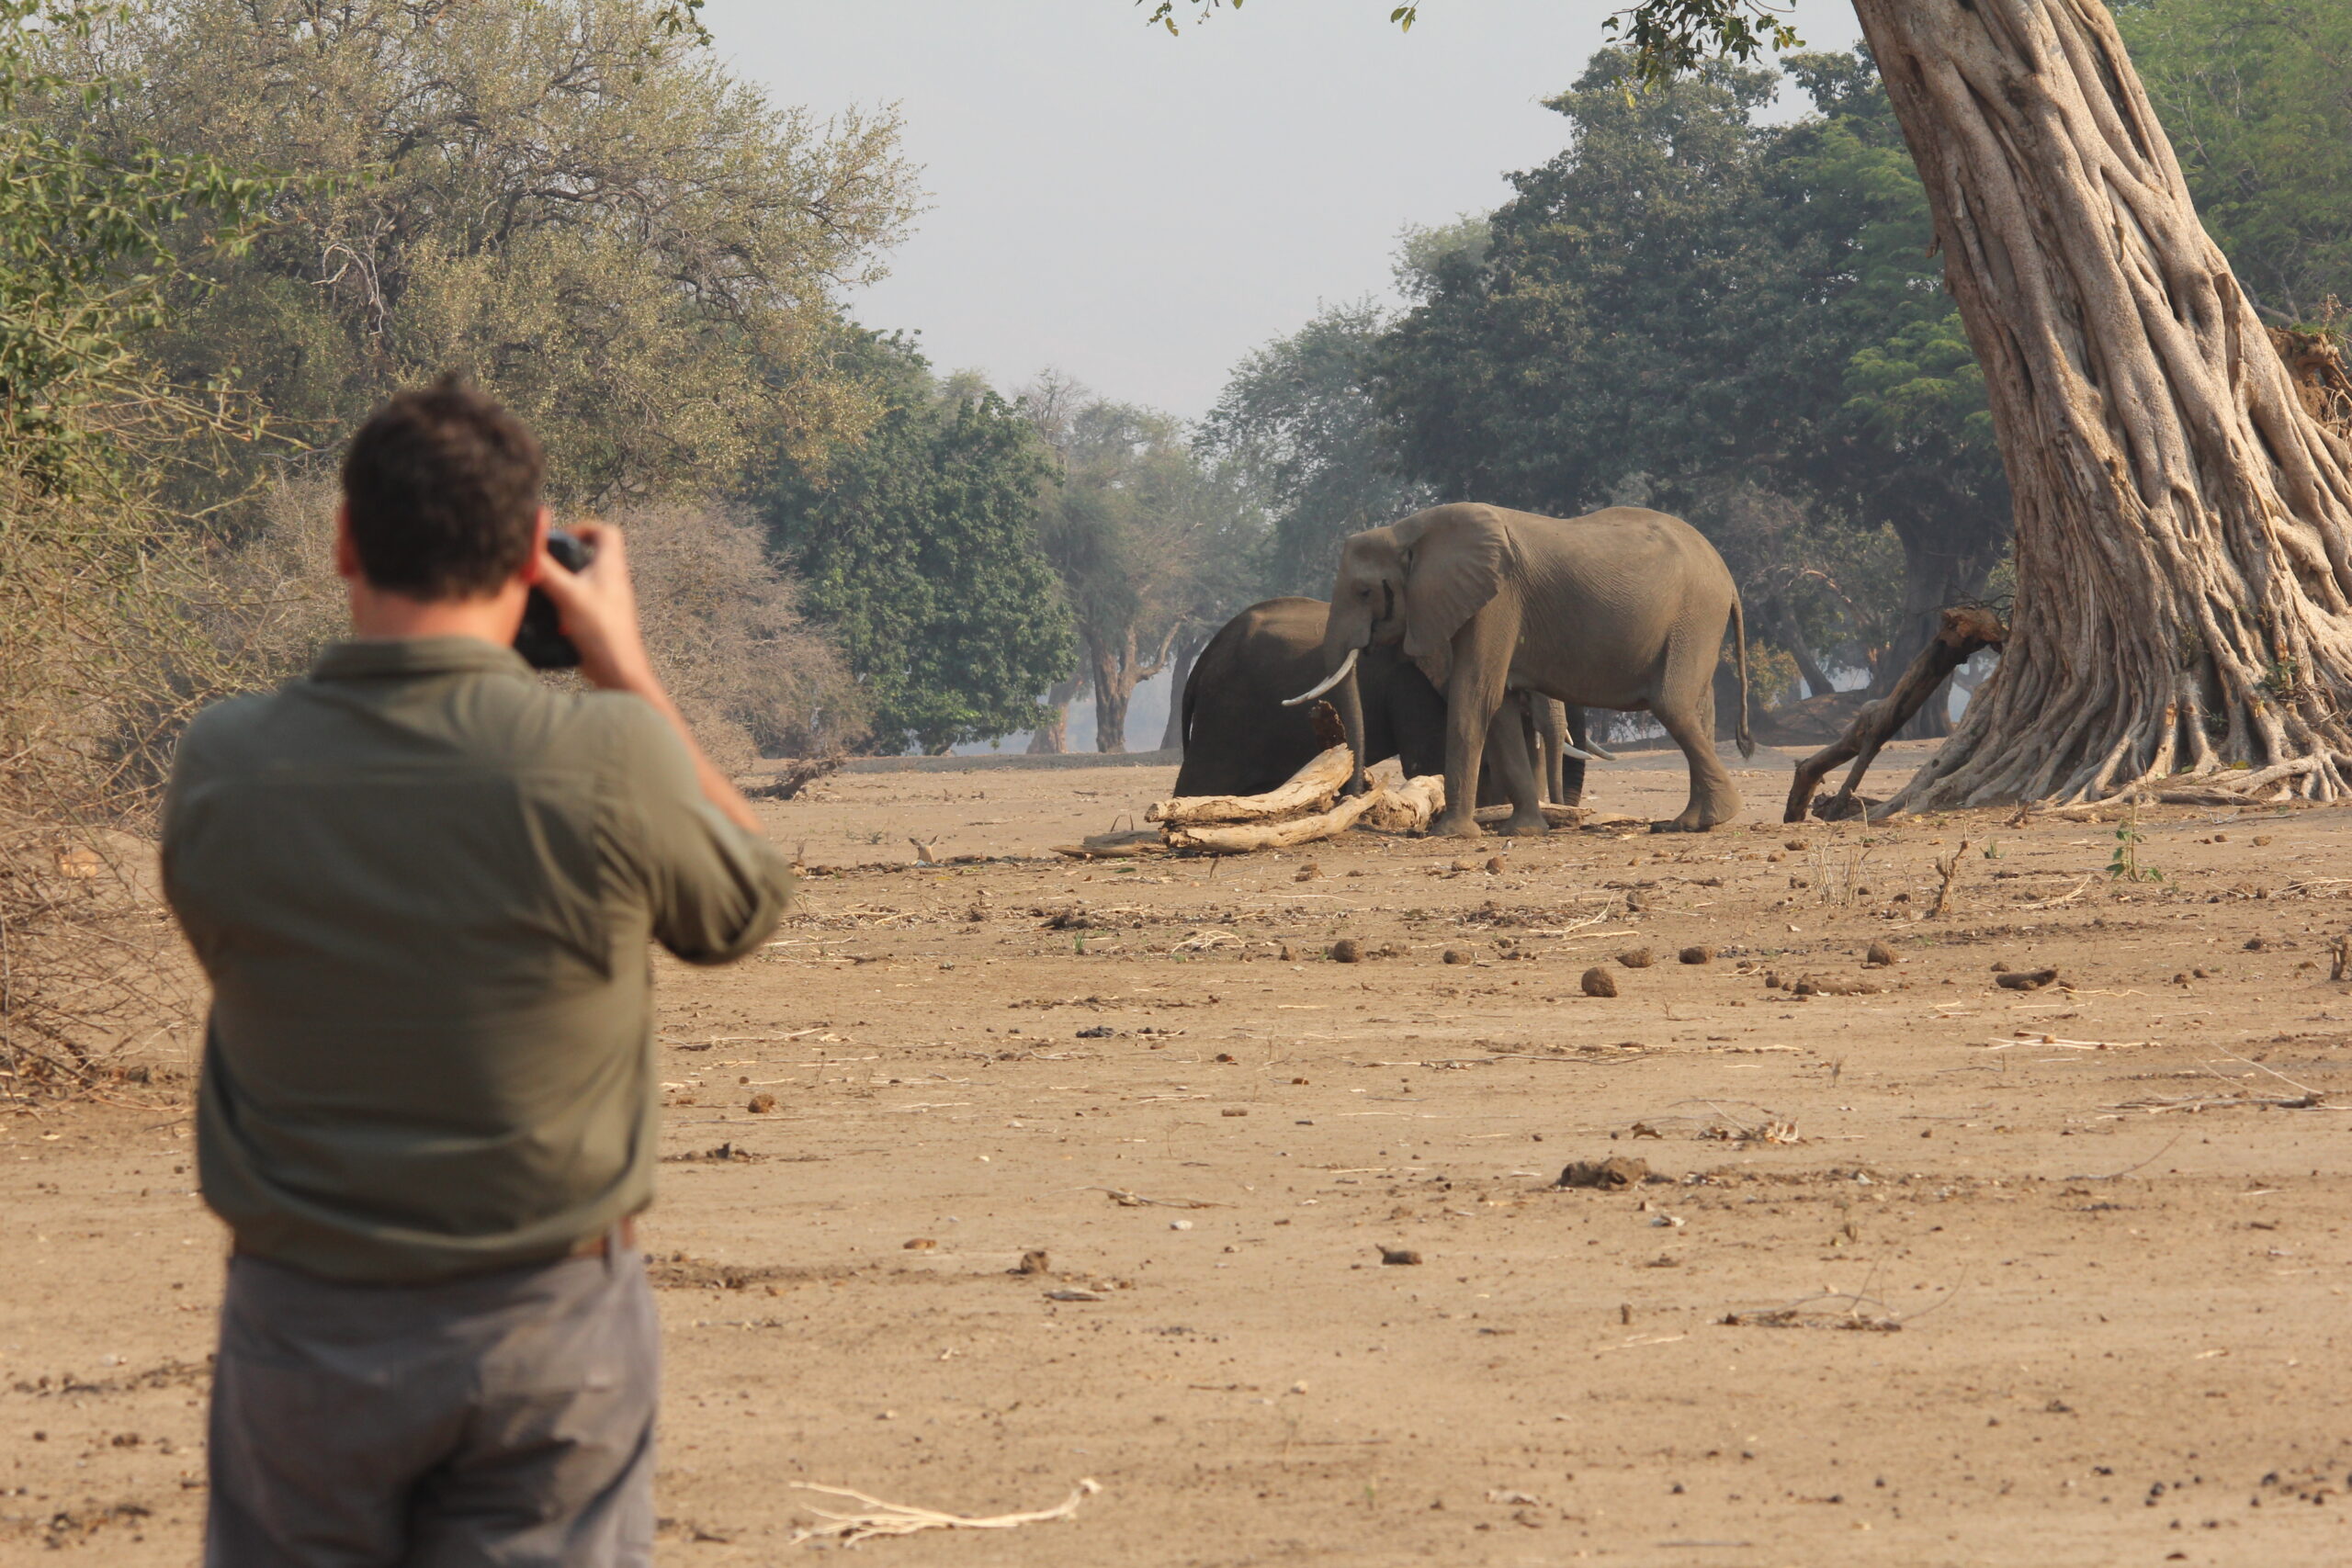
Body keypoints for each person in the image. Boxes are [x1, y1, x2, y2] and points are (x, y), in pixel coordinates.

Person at [161, 377, 796, 1567]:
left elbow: (229, 948)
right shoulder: (608, 754)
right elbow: (746, 905)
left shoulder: (225, 761)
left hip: (300, 1326)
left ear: (344, 541)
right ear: (529, 562)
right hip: (549, 1334)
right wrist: (627, 670)